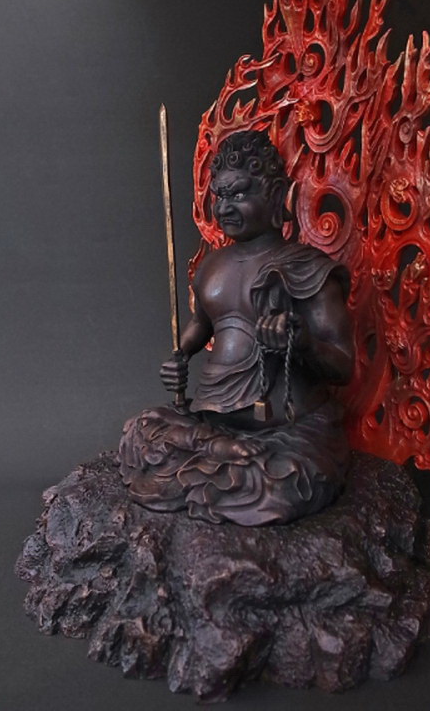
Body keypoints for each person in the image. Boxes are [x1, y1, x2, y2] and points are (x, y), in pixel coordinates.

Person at [118, 130, 353, 525]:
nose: (225, 207)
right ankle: (216, 447)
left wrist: (304, 343)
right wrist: (181, 355)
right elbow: (202, 324)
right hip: (212, 421)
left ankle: (223, 459)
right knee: (140, 431)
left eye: (239, 194)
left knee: (286, 481)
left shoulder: (308, 269)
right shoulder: (212, 266)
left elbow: (344, 366)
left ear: (276, 195)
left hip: (285, 430)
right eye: (219, 196)